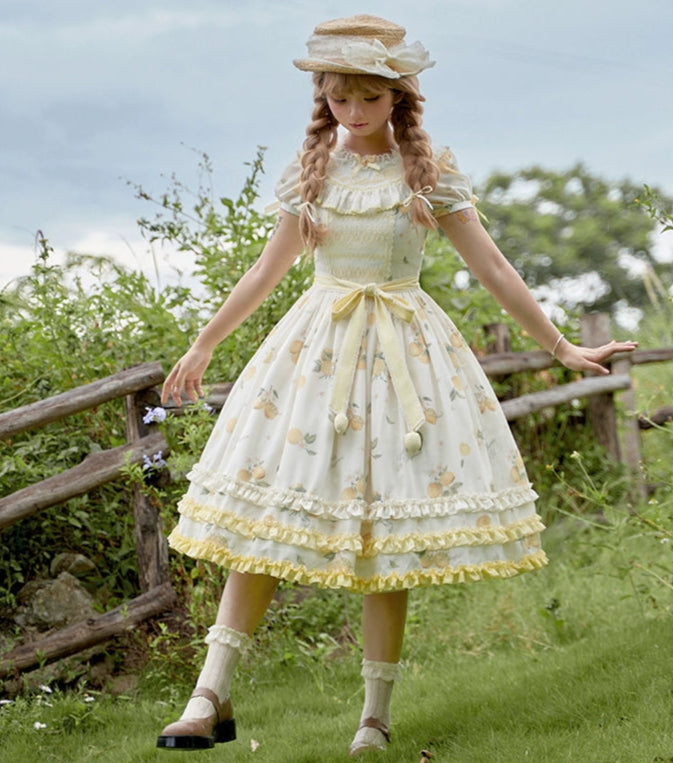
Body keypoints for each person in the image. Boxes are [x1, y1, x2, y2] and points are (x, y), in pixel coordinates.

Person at [155, 14, 637, 757]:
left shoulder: (429, 172)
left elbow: (493, 266)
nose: (353, 112)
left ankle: (373, 717)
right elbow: (265, 271)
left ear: (398, 98)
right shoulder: (311, 172)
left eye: (369, 99)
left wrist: (561, 345)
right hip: (315, 358)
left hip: (405, 359)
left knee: (388, 533)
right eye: (339, 98)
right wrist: (204, 342)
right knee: (262, 523)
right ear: (322, 97)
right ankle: (207, 695)